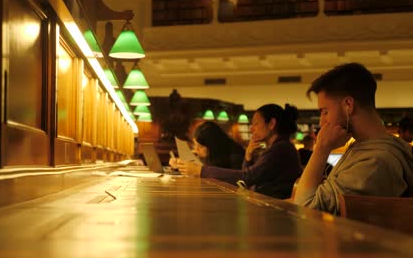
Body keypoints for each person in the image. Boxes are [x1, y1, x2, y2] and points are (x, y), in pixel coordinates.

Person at [294, 63, 413, 214]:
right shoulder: (367, 148)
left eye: (325, 111)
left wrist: (321, 149)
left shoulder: (376, 161)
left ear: (348, 105)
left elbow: (306, 211)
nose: (321, 122)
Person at [171, 103, 303, 199]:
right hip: (263, 203)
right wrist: (248, 157)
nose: (252, 129)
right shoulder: (279, 147)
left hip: (274, 210)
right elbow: (248, 178)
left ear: (271, 124)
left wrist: (201, 170)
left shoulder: (280, 149)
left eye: (256, 123)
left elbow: (247, 178)